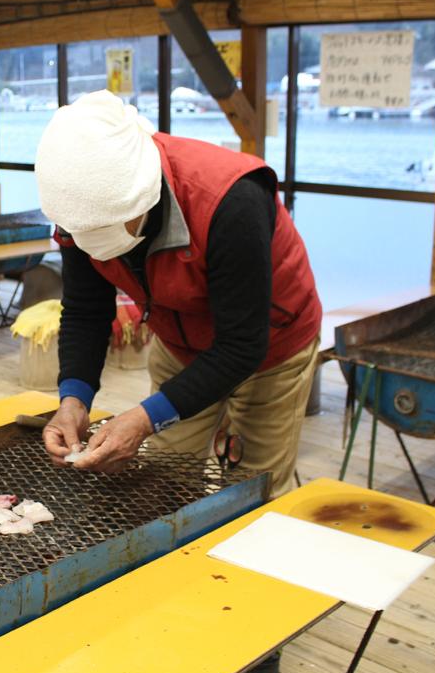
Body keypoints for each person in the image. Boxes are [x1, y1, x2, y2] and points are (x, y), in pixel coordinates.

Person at [37, 90, 322, 497]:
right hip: (179, 338)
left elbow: (242, 345)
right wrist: (73, 399)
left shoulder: (231, 200)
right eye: (84, 234)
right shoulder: (77, 208)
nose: (93, 241)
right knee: (164, 477)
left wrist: (144, 418)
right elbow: (86, 310)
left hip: (272, 342)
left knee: (251, 486)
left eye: (108, 227)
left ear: (144, 190)